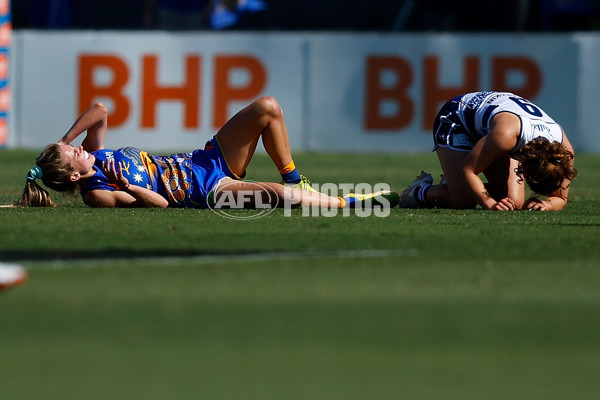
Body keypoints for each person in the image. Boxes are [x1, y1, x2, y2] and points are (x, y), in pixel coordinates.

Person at [15, 97, 398, 210]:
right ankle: (348, 203)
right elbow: (159, 205)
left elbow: (100, 108)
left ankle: (297, 177)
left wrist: (62, 142)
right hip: (207, 191)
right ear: (74, 177)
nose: (79, 149)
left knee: (268, 107)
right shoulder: (97, 191)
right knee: (282, 200)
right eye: (72, 154)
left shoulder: (95, 154)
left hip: (207, 160)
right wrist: (121, 180)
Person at [400, 91, 577, 211]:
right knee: (463, 200)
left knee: (512, 201)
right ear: (526, 164)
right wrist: (490, 204)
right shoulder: (506, 136)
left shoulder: (564, 153)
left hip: (495, 126)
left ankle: (452, 182)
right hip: (457, 118)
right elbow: (467, 170)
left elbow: (560, 199)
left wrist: (546, 204)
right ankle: (419, 191)